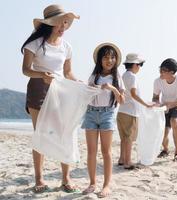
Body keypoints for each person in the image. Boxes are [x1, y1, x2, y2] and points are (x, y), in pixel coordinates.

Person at [21, 4, 80, 193]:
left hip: (60, 91)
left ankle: (66, 178)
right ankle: (39, 179)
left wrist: (80, 83)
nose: (62, 27)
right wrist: (42, 75)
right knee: (40, 135)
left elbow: (68, 72)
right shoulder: (35, 43)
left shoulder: (67, 46)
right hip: (38, 89)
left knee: (64, 133)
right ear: (48, 24)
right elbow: (26, 70)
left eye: (64, 23)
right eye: (58, 24)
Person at [81, 43, 125, 198]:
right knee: (91, 151)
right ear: (100, 60)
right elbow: (86, 96)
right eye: (106, 57)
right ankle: (92, 183)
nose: (109, 60)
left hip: (108, 114)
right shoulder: (94, 76)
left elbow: (122, 101)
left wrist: (112, 88)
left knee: (106, 151)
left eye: (112, 57)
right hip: (91, 113)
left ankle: (106, 185)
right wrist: (90, 88)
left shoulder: (117, 77)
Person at [117, 53, 153, 170]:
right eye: (140, 65)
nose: (140, 67)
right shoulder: (132, 76)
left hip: (121, 110)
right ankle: (127, 161)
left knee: (124, 137)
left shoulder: (123, 75)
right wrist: (146, 104)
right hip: (131, 111)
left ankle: (122, 159)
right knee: (129, 138)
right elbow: (133, 94)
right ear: (135, 65)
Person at [152, 58, 177, 161]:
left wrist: (171, 104)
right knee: (162, 131)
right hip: (164, 107)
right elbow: (155, 97)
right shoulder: (157, 81)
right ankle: (165, 150)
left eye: (163, 70)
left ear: (172, 72)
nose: (160, 72)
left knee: (174, 122)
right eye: (160, 69)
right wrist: (158, 104)